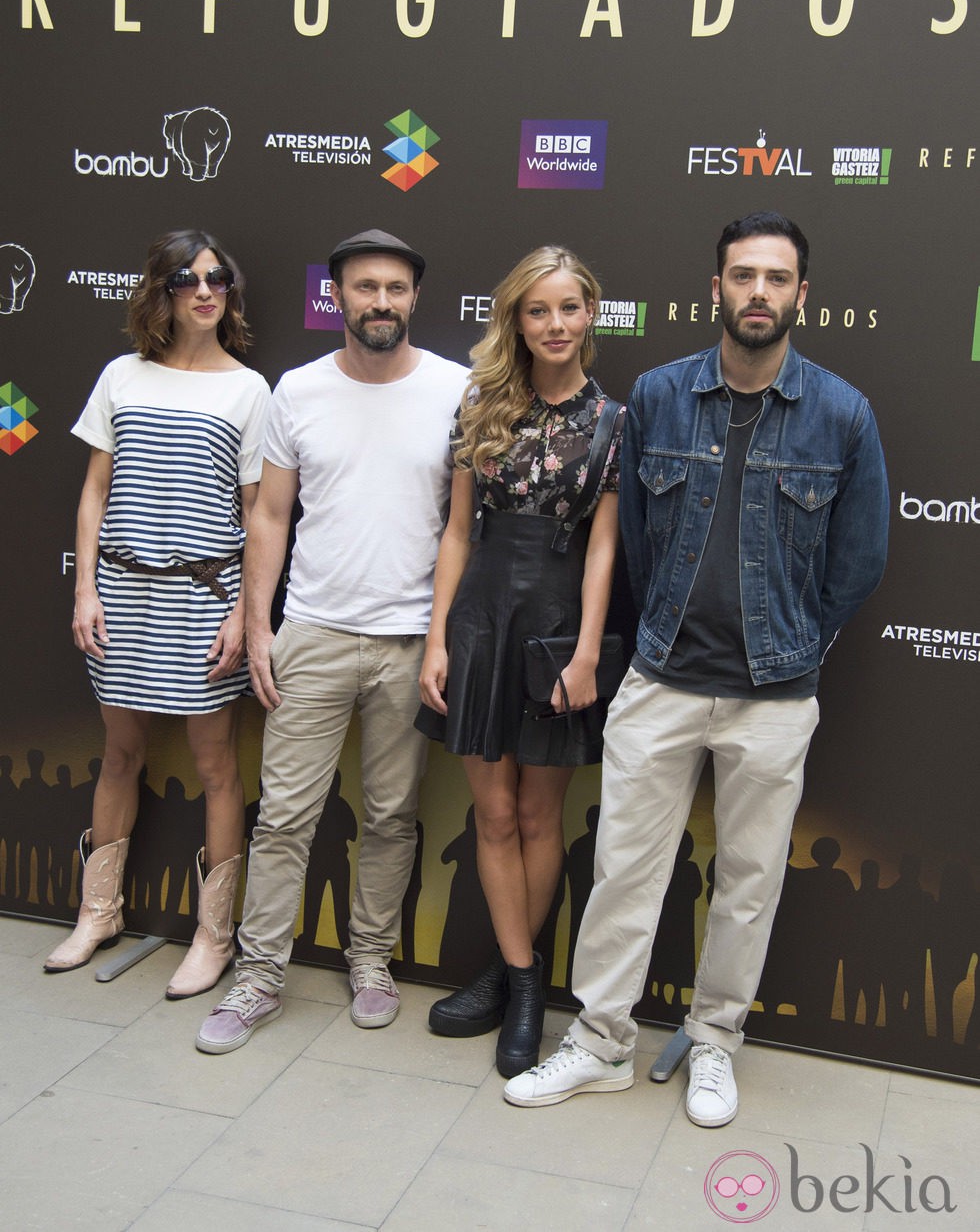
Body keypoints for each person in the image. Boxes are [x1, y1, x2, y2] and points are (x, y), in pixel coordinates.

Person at [503, 212, 889, 1123]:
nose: (759, 292)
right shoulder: (663, 396)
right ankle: (599, 1041)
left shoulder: (842, 413)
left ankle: (716, 1041)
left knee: (748, 882)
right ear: (715, 288)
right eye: (743, 275)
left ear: (802, 295)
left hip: (775, 697)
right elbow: (632, 537)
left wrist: (795, 639)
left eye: (777, 278)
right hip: (663, 678)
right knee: (624, 870)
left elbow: (859, 560)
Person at [196, 229, 468, 1053]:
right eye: (363, 287)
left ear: (414, 297)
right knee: (283, 817)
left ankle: (372, 961)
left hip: (409, 638)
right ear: (337, 296)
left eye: (394, 287)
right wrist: (256, 619)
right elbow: (270, 515)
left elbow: (463, 528)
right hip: (311, 631)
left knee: (391, 815)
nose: (379, 301)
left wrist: (440, 638)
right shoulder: (298, 390)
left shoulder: (458, 389)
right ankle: (259, 976)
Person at [45, 230, 271, 1000]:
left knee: (215, 768)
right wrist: (85, 589)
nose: (205, 290)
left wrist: (243, 611)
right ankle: (97, 912)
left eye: (219, 278)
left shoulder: (249, 389)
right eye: (188, 278)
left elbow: (257, 517)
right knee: (118, 756)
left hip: (204, 600)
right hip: (123, 597)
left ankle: (214, 936)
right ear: (163, 290)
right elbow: (94, 492)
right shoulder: (121, 376)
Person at [415, 246, 623, 1078]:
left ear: (590, 313)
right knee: (492, 816)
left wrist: (584, 653)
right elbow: (457, 532)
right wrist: (436, 639)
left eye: (569, 306)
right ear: (517, 320)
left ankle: (514, 983)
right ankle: (525, 979)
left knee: (540, 817)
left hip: (559, 624)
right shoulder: (479, 407)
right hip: (481, 619)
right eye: (538, 310)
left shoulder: (615, 421)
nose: (555, 324)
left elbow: (606, 549)